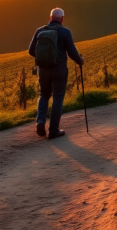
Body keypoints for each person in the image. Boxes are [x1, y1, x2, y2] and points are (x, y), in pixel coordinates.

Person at [28, 8, 84, 139]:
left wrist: (45, 58)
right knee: (58, 97)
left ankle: (40, 122)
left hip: (43, 70)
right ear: (62, 19)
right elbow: (72, 52)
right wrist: (80, 61)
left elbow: (31, 51)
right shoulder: (65, 32)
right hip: (59, 70)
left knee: (43, 95)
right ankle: (53, 130)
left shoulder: (40, 31)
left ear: (50, 18)